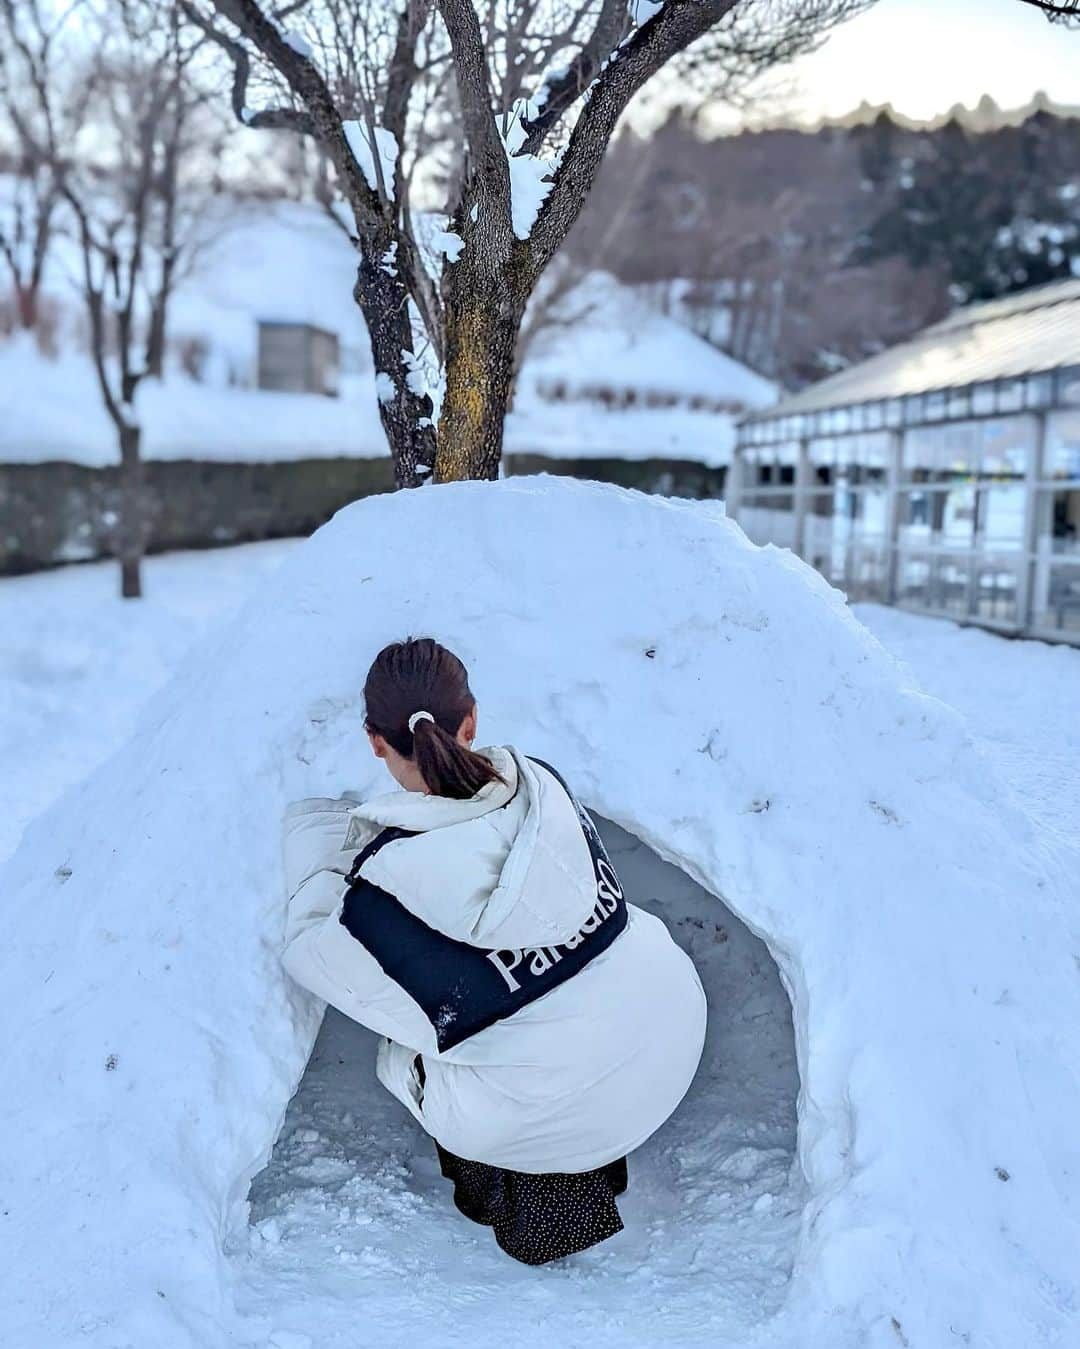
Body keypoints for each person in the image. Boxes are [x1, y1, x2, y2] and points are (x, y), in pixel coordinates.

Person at [281, 637, 707, 1265]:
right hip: (672, 1032)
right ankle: (583, 1150)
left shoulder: (380, 901)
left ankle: (532, 1209)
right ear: (471, 719)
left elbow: (312, 954)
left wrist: (319, 837)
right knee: (551, 1014)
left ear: (375, 742)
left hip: (569, 1098)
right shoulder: (544, 791)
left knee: (416, 1045)